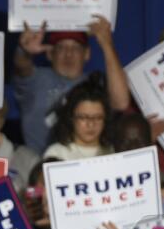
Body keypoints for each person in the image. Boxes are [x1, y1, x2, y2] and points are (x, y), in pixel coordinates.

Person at [12, 19, 131, 153]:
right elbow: (22, 67)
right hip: (38, 165)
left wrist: (107, 45)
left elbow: (121, 103)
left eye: (76, 47)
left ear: (87, 54)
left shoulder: (96, 83)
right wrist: (23, 50)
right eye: (61, 47)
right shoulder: (36, 80)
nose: (69, 54)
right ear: (50, 53)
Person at [42, 81, 114, 160]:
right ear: (71, 118)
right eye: (83, 117)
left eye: (97, 118)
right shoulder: (56, 153)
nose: (91, 124)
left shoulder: (113, 153)